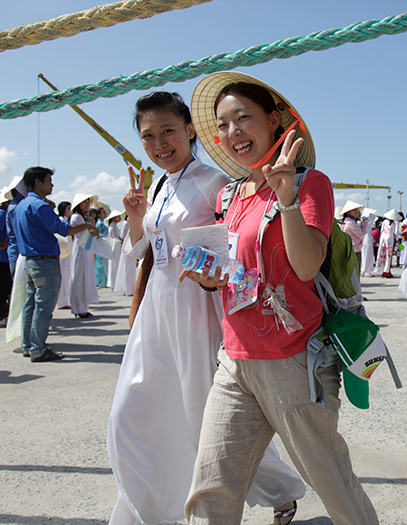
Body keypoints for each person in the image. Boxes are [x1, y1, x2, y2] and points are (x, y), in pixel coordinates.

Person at [182, 71, 378, 524]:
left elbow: (306, 266)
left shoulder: (312, 184)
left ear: (274, 121)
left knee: (334, 485)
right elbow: (241, 269)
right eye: (223, 124)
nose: (232, 132)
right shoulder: (231, 194)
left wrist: (287, 197)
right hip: (234, 361)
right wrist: (213, 277)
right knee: (211, 487)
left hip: (293, 363)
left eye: (243, 118)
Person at [106, 91, 305, 525]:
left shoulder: (213, 183)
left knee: (203, 418)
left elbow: (234, 252)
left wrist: (212, 272)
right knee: (132, 409)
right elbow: (144, 251)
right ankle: (146, 505)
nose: (160, 143)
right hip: (155, 317)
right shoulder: (158, 185)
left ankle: (279, 490)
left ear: (190, 131)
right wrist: (137, 216)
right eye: (148, 136)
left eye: (168, 132)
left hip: (197, 311)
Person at [14, 167, 98, 361]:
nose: (52, 184)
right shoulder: (40, 206)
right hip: (44, 261)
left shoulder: (22, 205)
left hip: (30, 260)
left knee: (30, 305)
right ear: (37, 182)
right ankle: (38, 348)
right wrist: (87, 225)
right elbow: (63, 229)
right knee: (43, 307)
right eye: (48, 180)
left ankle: (28, 345)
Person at [69, 194, 99, 318]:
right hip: (80, 249)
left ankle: (83, 307)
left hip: (86, 250)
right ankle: (78, 307)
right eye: (84, 203)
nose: (87, 205)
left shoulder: (84, 218)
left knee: (85, 278)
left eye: (88, 203)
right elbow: (84, 235)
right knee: (79, 279)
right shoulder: (76, 217)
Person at [5, 175, 27, 277]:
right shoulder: (16, 207)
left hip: (16, 251)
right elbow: (17, 231)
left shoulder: (14, 205)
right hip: (18, 252)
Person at [55, 201, 73, 310]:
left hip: (67, 252)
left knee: (66, 277)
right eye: (68, 209)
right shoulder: (61, 221)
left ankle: (64, 300)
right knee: (63, 277)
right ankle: (61, 301)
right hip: (63, 253)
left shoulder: (66, 220)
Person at [340, 200, 365, 270]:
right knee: (356, 272)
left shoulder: (347, 222)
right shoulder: (351, 223)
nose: (357, 211)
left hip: (350, 249)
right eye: (354, 210)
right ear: (348, 212)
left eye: (357, 209)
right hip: (355, 250)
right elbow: (362, 236)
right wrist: (365, 224)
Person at [375, 209, 401, 277]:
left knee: (382, 253)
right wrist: (397, 239)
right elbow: (396, 232)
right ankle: (387, 272)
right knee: (389, 255)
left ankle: (382, 270)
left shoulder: (384, 221)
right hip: (390, 238)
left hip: (383, 237)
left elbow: (381, 230)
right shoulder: (396, 222)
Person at [106, 210, 124, 289]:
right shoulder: (112, 227)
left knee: (114, 265)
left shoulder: (113, 226)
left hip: (115, 246)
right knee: (115, 265)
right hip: (115, 247)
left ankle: (114, 283)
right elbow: (114, 238)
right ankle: (114, 283)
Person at [0, 194, 11, 324]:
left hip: (5, 256)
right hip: (2, 257)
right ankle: (2, 316)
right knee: (3, 288)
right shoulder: (2, 213)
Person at [94, 206, 109, 288]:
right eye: (103, 212)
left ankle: (102, 281)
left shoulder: (102, 223)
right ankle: (100, 281)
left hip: (103, 244)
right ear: (98, 214)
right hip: (101, 245)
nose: (105, 214)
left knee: (102, 263)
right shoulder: (99, 224)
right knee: (101, 263)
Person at [359, 207, 377, 277]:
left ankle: (364, 270)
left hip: (365, 237)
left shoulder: (363, 220)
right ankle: (366, 271)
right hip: (367, 237)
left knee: (364, 254)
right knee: (367, 254)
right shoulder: (367, 220)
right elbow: (373, 224)